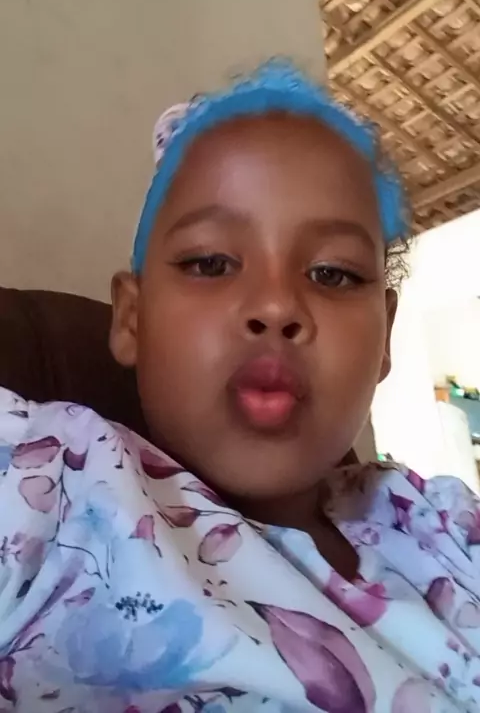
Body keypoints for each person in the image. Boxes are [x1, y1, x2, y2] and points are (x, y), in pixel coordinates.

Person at [1, 60, 479, 713]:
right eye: (211, 263)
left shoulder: (443, 528)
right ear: (132, 318)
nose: (277, 306)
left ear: (385, 336)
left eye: (333, 273)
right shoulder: (50, 483)